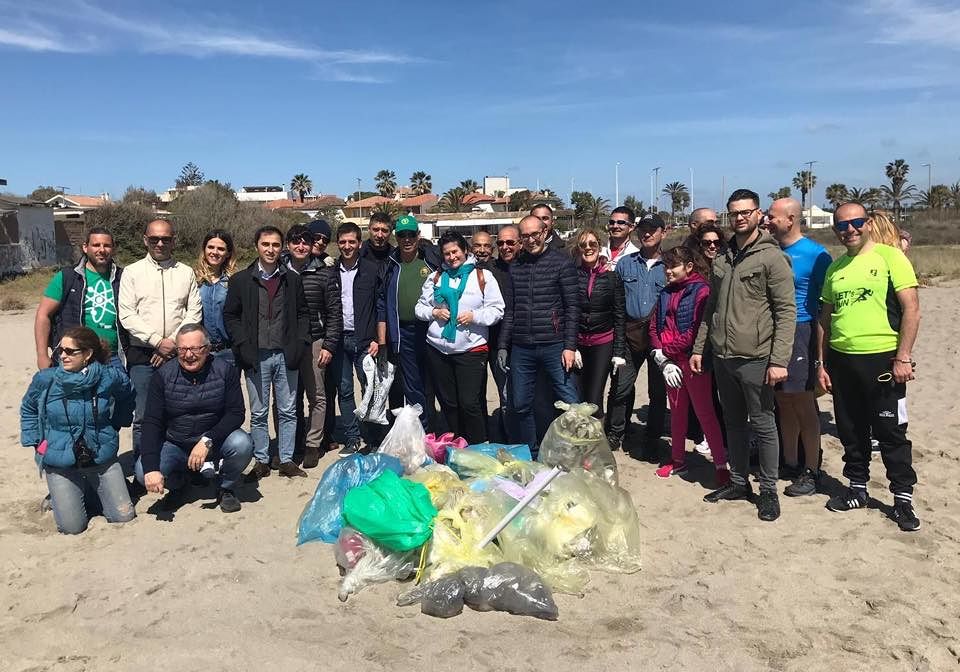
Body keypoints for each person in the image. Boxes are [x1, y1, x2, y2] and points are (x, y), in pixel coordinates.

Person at [691, 189, 796, 522]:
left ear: (757, 213)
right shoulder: (722, 258)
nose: (739, 218)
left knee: (763, 424)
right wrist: (699, 348)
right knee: (733, 423)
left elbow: (786, 311)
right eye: (733, 213)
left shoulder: (771, 257)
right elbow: (712, 309)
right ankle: (738, 482)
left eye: (745, 212)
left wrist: (779, 361)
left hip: (756, 357)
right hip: (723, 356)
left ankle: (767, 490)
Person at [818, 202, 921, 532]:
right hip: (842, 360)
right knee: (851, 430)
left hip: (883, 360)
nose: (850, 230)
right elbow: (825, 319)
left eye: (856, 222)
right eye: (842, 225)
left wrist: (903, 356)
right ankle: (857, 489)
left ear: (868, 223)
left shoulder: (891, 258)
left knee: (891, 432)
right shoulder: (836, 268)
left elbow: (912, 310)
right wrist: (822, 363)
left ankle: (902, 499)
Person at [20, 326, 136, 534]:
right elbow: (28, 408)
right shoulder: (45, 379)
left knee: (123, 517)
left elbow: (127, 394)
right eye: (60, 351)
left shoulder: (109, 377)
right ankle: (62, 496)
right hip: (59, 460)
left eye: (70, 351)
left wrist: (117, 423)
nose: (62, 356)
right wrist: (35, 441)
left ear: (88, 354)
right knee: (72, 527)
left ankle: (89, 491)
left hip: (101, 456)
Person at [135, 324, 254, 513]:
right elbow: (151, 423)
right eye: (182, 349)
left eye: (195, 349)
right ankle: (180, 484)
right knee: (143, 472)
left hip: (215, 440)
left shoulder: (225, 370)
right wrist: (151, 468)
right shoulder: (163, 376)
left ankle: (225, 487)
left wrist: (207, 439)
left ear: (206, 349)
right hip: (176, 442)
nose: (188, 355)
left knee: (243, 443)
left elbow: (236, 412)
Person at [223, 226, 311, 479]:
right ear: (257, 246)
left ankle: (285, 459)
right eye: (266, 244)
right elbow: (231, 315)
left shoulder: (291, 279)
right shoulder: (241, 280)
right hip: (256, 355)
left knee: (288, 410)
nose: (271, 249)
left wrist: (301, 342)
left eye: (275, 245)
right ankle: (261, 459)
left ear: (281, 247)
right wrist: (241, 342)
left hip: (286, 354)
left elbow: (303, 313)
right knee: (259, 412)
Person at [766, 198, 832, 496]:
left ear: (790, 218)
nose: (768, 221)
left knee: (803, 401)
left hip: (801, 329)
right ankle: (790, 461)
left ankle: (812, 468)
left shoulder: (816, 255)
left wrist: (821, 357)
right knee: (783, 400)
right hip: (772, 331)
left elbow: (825, 309)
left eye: (772, 216)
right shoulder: (770, 251)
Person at [118, 219, 202, 456]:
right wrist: (157, 341)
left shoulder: (185, 272)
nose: (160, 243)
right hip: (144, 354)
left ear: (173, 240)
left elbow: (193, 311)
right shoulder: (132, 273)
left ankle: (179, 466)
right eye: (154, 239)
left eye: (165, 238)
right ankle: (143, 467)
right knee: (143, 416)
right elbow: (127, 314)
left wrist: (173, 343)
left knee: (181, 412)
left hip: (179, 353)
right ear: (145, 240)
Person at [498, 214, 580, 452]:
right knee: (521, 404)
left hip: (554, 344)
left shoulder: (562, 263)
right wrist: (504, 345)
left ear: (545, 233)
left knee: (569, 402)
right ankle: (532, 453)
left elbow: (572, 307)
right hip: (522, 346)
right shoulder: (516, 267)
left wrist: (570, 346)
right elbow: (510, 311)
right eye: (525, 235)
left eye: (535, 234)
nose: (531, 239)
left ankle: (577, 452)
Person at [649, 246, 729, 484]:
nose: (668, 272)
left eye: (673, 266)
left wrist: (667, 351)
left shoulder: (702, 291)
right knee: (677, 412)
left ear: (689, 267)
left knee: (705, 413)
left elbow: (697, 330)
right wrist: (660, 356)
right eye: (666, 267)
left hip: (693, 362)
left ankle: (720, 463)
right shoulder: (665, 292)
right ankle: (677, 459)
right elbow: (654, 325)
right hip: (670, 363)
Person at [416, 231, 505, 443]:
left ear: (465, 250)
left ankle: (478, 444)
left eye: (455, 251)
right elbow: (419, 307)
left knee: (469, 403)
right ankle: (458, 443)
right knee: (448, 402)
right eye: (446, 253)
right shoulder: (436, 278)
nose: (451, 257)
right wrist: (433, 313)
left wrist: (475, 316)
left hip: (471, 350)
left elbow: (497, 310)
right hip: (438, 349)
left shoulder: (482, 277)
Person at [607, 213, 668, 458]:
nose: (647, 233)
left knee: (657, 391)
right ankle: (615, 433)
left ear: (664, 232)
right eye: (643, 229)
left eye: (653, 229)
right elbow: (618, 304)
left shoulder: (670, 264)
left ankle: (652, 438)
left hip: (659, 338)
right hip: (629, 333)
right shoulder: (625, 264)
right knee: (621, 387)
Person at [284, 224, 342, 467]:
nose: (301, 246)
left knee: (317, 395)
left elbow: (334, 312)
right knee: (286, 398)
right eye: (296, 242)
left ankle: (312, 444)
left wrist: (329, 345)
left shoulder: (324, 272)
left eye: (305, 242)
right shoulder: (278, 270)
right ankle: (290, 444)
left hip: (315, 340)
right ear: (289, 245)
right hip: (285, 342)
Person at [325, 222, 384, 456]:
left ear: (360, 243)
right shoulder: (331, 272)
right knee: (345, 390)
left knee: (369, 389)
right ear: (337, 244)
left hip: (365, 342)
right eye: (343, 242)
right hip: (339, 341)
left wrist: (377, 339)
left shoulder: (371, 269)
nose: (347, 246)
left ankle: (373, 438)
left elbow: (380, 306)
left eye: (352, 242)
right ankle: (352, 438)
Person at [378, 214, 441, 429]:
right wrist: (383, 339)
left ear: (418, 236)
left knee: (434, 381)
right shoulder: (390, 265)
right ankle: (421, 428)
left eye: (411, 234)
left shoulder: (431, 262)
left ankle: (438, 425)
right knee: (412, 384)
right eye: (402, 235)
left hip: (431, 329)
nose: (407, 239)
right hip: (403, 332)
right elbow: (381, 303)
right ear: (396, 237)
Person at [35, 227, 126, 371]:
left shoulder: (124, 278)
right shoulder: (67, 277)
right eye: (96, 245)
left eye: (107, 245)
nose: (101, 250)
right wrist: (42, 355)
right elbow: (43, 314)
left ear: (113, 249)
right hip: (74, 356)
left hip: (114, 357)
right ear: (85, 247)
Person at [571, 228, 626, 418]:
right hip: (577, 343)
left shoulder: (612, 277)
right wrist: (570, 345)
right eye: (583, 245)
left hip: (602, 343)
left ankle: (594, 443)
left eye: (592, 244)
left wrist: (618, 352)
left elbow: (619, 316)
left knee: (594, 399)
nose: (588, 248)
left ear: (599, 247)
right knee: (576, 398)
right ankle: (578, 441)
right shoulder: (571, 276)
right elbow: (565, 312)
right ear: (578, 249)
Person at [486, 225, 520, 441]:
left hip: (526, 342)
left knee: (527, 396)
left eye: (510, 242)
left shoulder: (529, 266)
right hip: (498, 343)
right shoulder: (489, 270)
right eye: (500, 243)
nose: (505, 247)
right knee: (506, 394)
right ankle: (510, 438)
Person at [194, 229, 237, 365]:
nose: (215, 252)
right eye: (211, 247)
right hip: (200, 351)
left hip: (228, 352)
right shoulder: (194, 279)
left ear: (228, 253)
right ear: (204, 249)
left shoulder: (234, 281)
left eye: (220, 249)